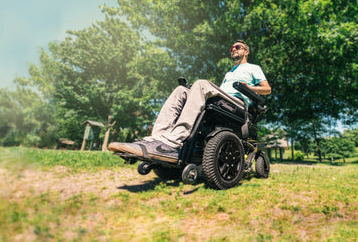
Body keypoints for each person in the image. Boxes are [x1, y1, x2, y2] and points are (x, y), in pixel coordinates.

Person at [109, 40, 271, 161]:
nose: (233, 50)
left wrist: (249, 88)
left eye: (237, 47)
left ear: (246, 51)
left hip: (237, 104)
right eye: (231, 48)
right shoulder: (229, 73)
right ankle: (157, 140)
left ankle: (173, 143)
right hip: (221, 99)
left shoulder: (253, 68)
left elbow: (267, 89)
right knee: (181, 90)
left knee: (201, 84)